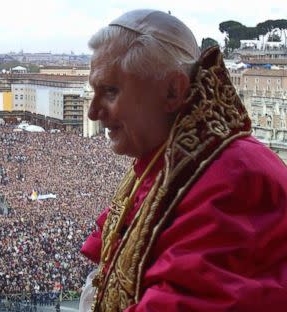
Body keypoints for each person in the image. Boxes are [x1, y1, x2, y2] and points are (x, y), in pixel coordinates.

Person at [80, 9, 287, 312]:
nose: (93, 112)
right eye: (93, 92)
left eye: (110, 91)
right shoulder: (166, 160)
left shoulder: (234, 182)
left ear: (173, 91)